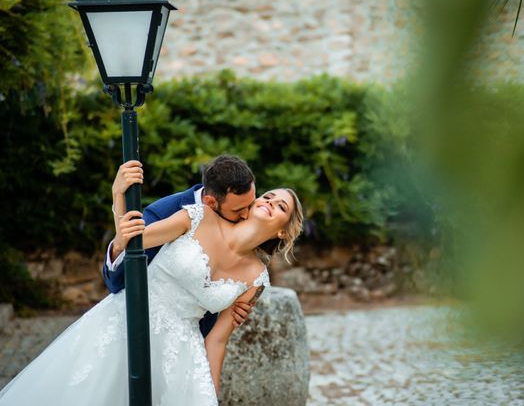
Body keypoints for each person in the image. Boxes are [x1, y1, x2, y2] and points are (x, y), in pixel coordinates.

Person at [0, 176, 304, 405]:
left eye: (280, 206)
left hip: (182, 354)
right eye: (268, 196)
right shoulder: (199, 216)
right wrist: (118, 195)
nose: (269, 202)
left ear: (282, 230)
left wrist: (210, 394)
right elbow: (132, 242)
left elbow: (217, 341)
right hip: (127, 323)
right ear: (249, 204)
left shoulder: (257, 278)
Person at [104, 154, 257, 334]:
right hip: (152, 332)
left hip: (198, 342)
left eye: (251, 204)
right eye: (238, 210)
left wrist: (234, 304)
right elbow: (118, 282)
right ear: (210, 202)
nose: (247, 215)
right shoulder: (165, 213)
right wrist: (118, 196)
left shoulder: (248, 219)